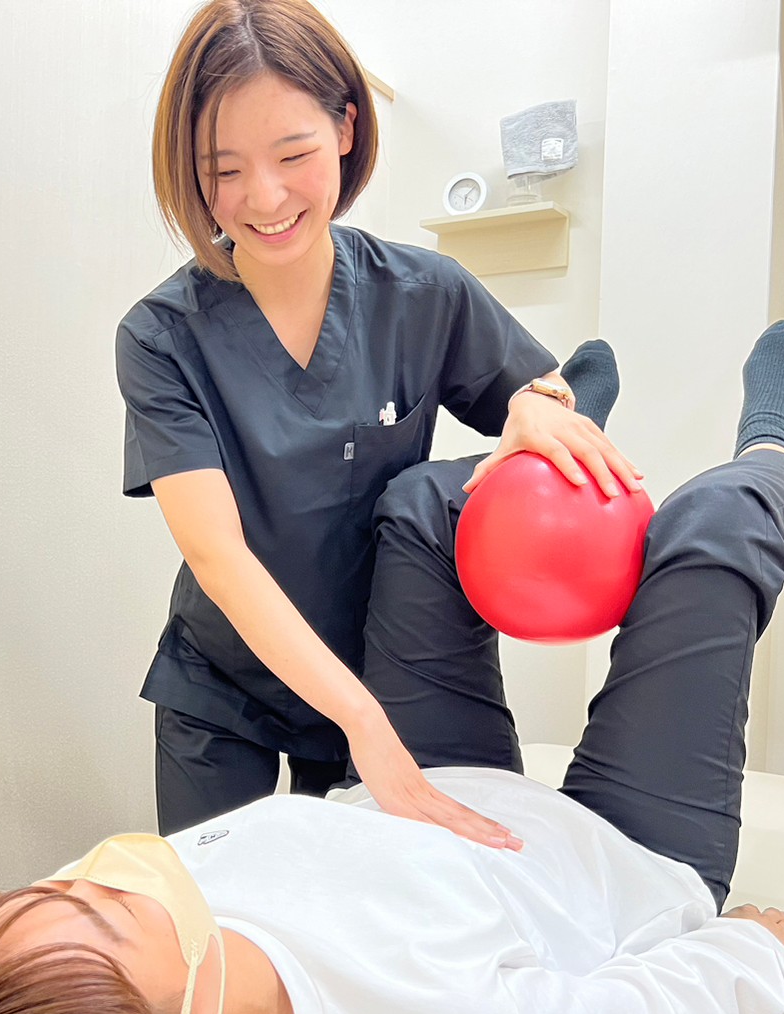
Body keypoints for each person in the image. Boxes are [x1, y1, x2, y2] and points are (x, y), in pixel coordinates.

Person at [0, 325, 784, 1014]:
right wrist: (752, 948)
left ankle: (559, 438)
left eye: (53, 883)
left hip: (425, 789)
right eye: (109, 901)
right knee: (714, 523)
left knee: (424, 508)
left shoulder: (140, 966)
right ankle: (771, 436)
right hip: (621, 855)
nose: (114, 863)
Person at [117, 0, 642, 837]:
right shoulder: (161, 337)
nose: (264, 196)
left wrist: (534, 408)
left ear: (347, 129)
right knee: (222, 927)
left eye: (294, 153)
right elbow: (216, 555)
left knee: (376, 933)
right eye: (223, 170)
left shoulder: (424, 294)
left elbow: (538, 390)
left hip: (381, 668)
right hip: (224, 692)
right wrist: (362, 722)